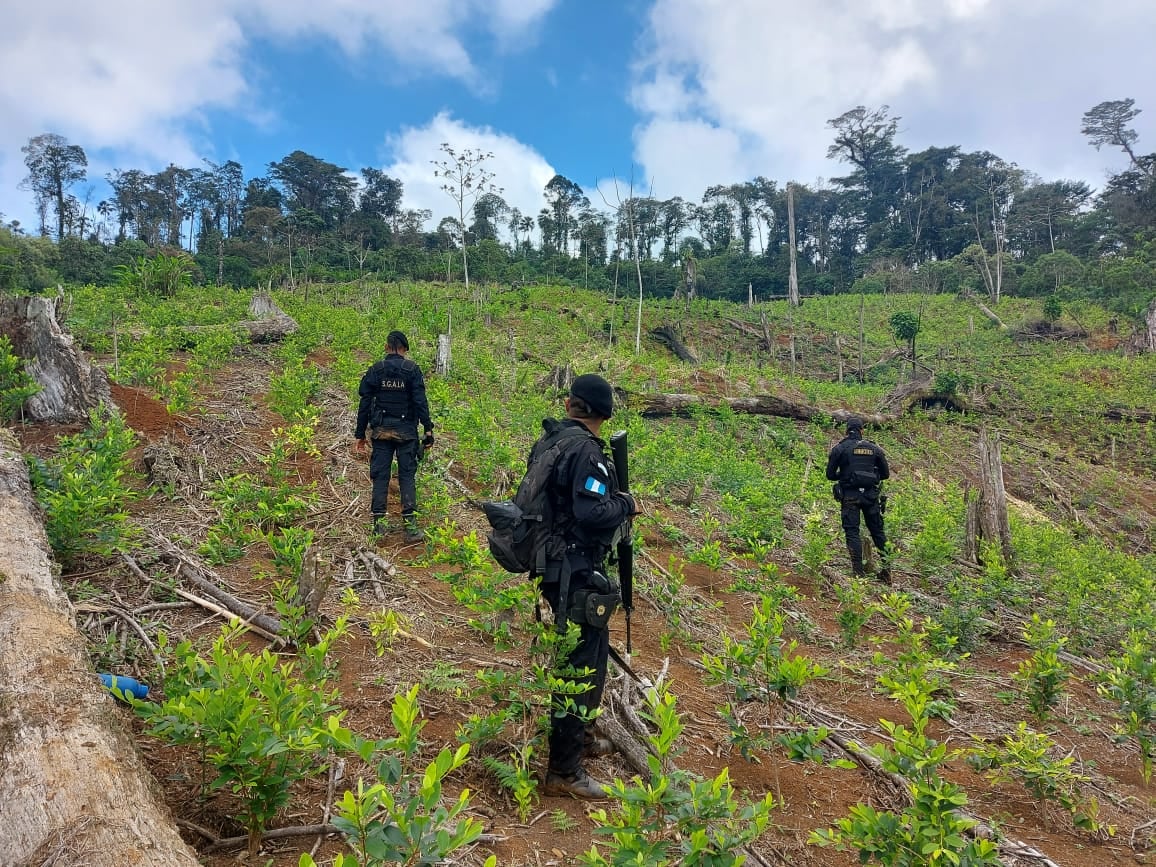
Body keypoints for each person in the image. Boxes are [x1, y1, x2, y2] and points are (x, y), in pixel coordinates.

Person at [535, 373, 637, 799]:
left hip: (559, 568)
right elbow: (592, 512)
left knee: (586, 655)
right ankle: (564, 770)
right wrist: (627, 503)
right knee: (581, 665)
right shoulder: (587, 453)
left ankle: (581, 736)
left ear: (570, 405)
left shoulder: (552, 441)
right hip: (575, 571)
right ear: (604, 413)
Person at [353, 331, 434, 542]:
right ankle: (410, 527)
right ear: (404, 349)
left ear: (386, 347)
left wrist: (360, 434)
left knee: (381, 476)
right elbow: (420, 401)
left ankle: (379, 527)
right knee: (407, 476)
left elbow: (364, 403)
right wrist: (428, 429)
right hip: (406, 433)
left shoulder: (376, 370)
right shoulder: (412, 370)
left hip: (381, 432)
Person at [826, 416, 891, 582]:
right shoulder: (874, 448)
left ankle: (858, 572)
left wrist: (846, 474)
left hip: (850, 497)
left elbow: (830, 475)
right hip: (871, 496)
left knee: (852, 532)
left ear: (846, 431)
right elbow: (885, 474)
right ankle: (886, 571)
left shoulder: (840, 448)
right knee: (878, 532)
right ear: (862, 430)